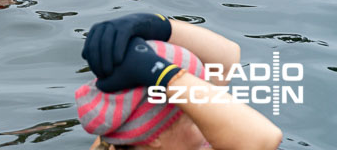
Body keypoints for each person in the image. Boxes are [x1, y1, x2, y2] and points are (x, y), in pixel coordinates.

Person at [76, 12, 284, 149]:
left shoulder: (116, 135)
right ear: (154, 137)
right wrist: (163, 74)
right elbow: (263, 139)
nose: (210, 118)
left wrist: (158, 25)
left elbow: (228, 59)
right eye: (196, 115)